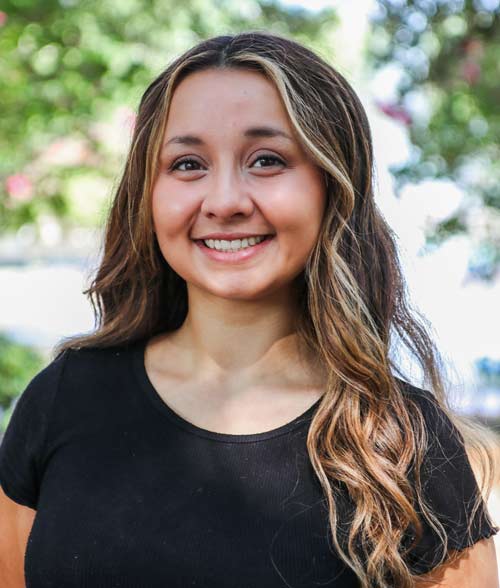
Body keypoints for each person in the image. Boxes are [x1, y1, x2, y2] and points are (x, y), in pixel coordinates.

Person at [0, 30, 498, 588]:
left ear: (331, 187)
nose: (225, 201)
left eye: (266, 160)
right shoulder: (62, 401)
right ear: (149, 192)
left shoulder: (403, 443)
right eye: (188, 164)